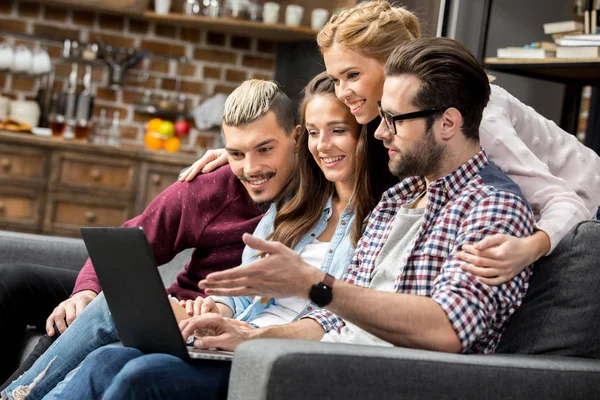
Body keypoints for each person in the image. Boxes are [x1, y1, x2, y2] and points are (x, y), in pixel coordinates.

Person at [54, 37, 537, 400]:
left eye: (394, 120)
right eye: (379, 119)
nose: (381, 133)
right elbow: (330, 319)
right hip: (319, 352)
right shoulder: (401, 198)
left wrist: (314, 284)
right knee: (112, 359)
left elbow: (447, 330)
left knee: (144, 378)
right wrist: (250, 334)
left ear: (448, 123)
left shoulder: (490, 205)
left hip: (388, 378)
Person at [1, 76, 395, 400]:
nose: (251, 167)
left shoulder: (376, 214)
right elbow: (136, 242)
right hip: (200, 313)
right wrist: (86, 290)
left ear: (292, 140)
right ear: (304, 135)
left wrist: (233, 324)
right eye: (237, 153)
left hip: (251, 337)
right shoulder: (256, 198)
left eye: (264, 150)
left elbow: (338, 312)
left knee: (118, 348)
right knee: (49, 294)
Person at [182, 0, 600, 286]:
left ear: (392, 61)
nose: (342, 91)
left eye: (351, 75)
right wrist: (243, 156)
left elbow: (565, 199)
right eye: (335, 78)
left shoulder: (468, 118)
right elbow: (323, 142)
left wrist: (531, 246)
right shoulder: (386, 117)